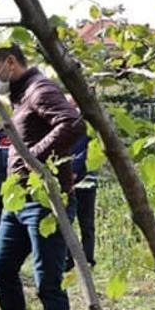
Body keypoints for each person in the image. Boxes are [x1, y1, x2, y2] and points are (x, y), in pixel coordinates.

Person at [0, 44, 84, 310]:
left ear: (10, 62)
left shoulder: (40, 89)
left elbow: (72, 122)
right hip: (18, 201)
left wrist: (31, 156)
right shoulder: (20, 96)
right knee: (1, 268)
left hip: (45, 200)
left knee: (48, 280)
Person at [65, 112, 99, 271]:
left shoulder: (89, 127)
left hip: (86, 180)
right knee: (66, 221)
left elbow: (89, 151)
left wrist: (74, 170)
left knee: (86, 223)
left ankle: (88, 259)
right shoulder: (62, 124)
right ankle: (68, 259)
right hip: (65, 181)